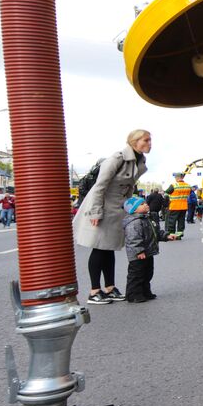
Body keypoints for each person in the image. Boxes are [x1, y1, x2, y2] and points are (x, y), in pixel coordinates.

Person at [72, 129, 150, 305]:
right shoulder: (118, 158)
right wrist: (96, 212)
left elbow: (129, 187)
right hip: (103, 206)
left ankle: (109, 288)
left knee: (109, 249)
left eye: (149, 140)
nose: (149, 143)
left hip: (118, 209)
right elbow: (100, 186)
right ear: (134, 142)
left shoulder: (140, 160)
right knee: (99, 248)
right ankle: (94, 291)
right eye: (146, 140)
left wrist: (131, 208)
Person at [122, 195, 159, 303]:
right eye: (141, 204)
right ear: (133, 209)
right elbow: (133, 238)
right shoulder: (134, 222)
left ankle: (145, 291)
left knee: (147, 273)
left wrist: (166, 236)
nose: (146, 205)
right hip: (138, 254)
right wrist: (139, 251)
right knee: (136, 275)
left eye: (145, 203)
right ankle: (133, 294)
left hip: (148, 252)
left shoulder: (146, 219)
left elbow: (154, 233)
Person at [166, 173, 190, 239]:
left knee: (172, 220)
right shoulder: (188, 186)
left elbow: (167, 192)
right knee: (181, 220)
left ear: (177, 178)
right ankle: (179, 234)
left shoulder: (174, 185)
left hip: (174, 206)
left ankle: (172, 234)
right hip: (184, 206)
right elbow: (189, 193)